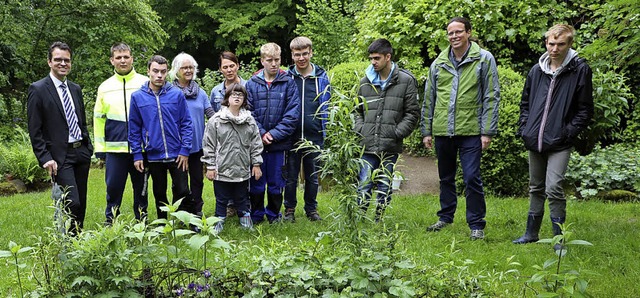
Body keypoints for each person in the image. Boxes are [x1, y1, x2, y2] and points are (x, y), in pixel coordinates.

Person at [513, 24, 593, 252]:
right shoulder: (536, 71)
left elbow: (585, 110)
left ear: (569, 44)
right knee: (535, 187)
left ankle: (559, 239)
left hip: (560, 142)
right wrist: (525, 128)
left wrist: (567, 132)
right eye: (551, 43)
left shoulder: (580, 70)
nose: (555, 49)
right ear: (546, 43)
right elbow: (525, 104)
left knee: (554, 187)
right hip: (534, 139)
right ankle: (531, 233)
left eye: (560, 44)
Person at [421, 17, 500, 240]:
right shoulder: (439, 63)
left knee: (472, 177)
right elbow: (429, 98)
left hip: (471, 131)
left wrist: (487, 131)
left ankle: (476, 224)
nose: (454, 36)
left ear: (468, 33)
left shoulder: (484, 59)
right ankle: (445, 217)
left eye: (458, 32)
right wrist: (426, 130)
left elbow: (491, 96)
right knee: (445, 177)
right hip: (443, 130)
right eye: (450, 33)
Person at [27, 41, 93, 235]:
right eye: (58, 60)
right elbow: (34, 128)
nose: (63, 63)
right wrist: (45, 157)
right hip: (59, 156)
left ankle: (76, 240)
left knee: (82, 202)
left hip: (81, 152)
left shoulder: (75, 89)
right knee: (72, 201)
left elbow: (81, 120)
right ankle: (66, 238)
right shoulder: (38, 89)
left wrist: (87, 147)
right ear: (49, 62)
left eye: (67, 60)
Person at [355, 38, 420, 221]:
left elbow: (412, 114)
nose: (373, 62)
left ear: (388, 57)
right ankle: (360, 220)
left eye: (377, 58)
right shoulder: (365, 82)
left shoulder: (406, 81)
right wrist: (361, 129)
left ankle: (378, 220)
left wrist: (396, 133)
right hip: (366, 144)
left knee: (384, 185)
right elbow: (356, 111)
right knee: (364, 184)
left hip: (390, 145)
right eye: (371, 58)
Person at [128, 55, 193, 220]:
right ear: (148, 71)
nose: (159, 75)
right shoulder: (137, 97)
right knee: (159, 191)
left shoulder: (176, 95)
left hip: (177, 153)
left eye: (163, 72)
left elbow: (186, 123)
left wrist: (185, 150)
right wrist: (137, 154)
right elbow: (134, 128)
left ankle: (183, 221)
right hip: (153, 153)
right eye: (155, 71)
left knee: (182, 189)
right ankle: (163, 223)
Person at [94, 42, 149, 225]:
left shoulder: (144, 83)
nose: (123, 60)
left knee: (141, 188)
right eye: (118, 57)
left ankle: (142, 220)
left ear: (132, 59)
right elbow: (99, 118)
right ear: (112, 61)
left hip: (139, 149)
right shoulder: (105, 87)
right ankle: (111, 221)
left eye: (126, 57)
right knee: (114, 188)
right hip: (114, 149)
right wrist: (100, 149)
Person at [246, 42, 300, 224]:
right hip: (257, 144)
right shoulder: (252, 84)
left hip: (280, 144)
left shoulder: (288, 83)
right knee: (257, 182)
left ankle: (273, 215)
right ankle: (256, 215)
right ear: (262, 61)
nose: (274, 64)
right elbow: (248, 113)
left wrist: (274, 134)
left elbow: (293, 114)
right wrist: (261, 133)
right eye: (269, 60)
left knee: (277, 183)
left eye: (277, 60)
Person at [202, 84, 263, 232]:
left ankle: (245, 222)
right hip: (221, 169)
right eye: (233, 94)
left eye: (240, 95)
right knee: (221, 198)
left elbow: (256, 143)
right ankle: (218, 223)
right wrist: (210, 166)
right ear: (227, 98)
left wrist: (256, 164)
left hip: (242, 168)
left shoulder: (249, 120)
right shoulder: (216, 120)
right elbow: (208, 144)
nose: (237, 97)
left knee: (242, 197)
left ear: (244, 99)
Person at [283, 36, 331, 222]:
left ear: (311, 53)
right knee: (290, 177)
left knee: (312, 177)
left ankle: (311, 209)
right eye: (297, 55)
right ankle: (289, 209)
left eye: (305, 54)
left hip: (314, 134)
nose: (301, 58)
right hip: (292, 135)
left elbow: (327, 103)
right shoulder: (287, 77)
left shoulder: (321, 76)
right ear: (292, 56)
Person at [170, 53, 215, 217]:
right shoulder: (170, 92)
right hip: (179, 148)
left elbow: (211, 115)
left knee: (197, 181)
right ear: (177, 70)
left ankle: (197, 211)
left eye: (191, 67)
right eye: (184, 67)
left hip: (197, 147)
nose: (188, 70)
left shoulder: (200, 93)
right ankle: (182, 214)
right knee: (180, 184)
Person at [210, 51, 248, 218]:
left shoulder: (248, 86)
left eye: (232, 66)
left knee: (242, 172)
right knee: (224, 173)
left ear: (238, 66)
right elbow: (213, 116)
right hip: (223, 140)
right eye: (225, 67)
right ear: (220, 69)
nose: (229, 70)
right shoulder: (216, 91)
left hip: (243, 136)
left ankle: (243, 207)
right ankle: (227, 207)